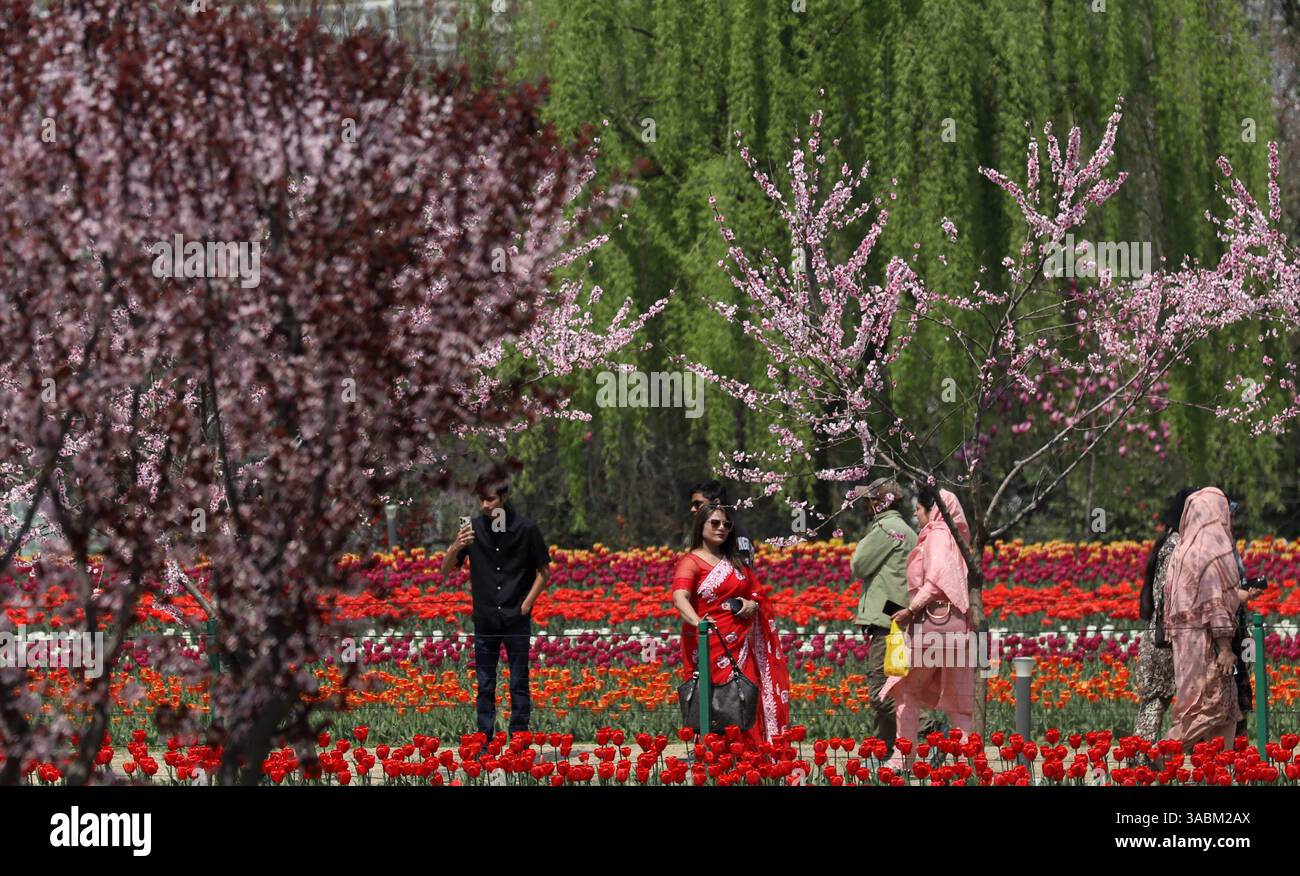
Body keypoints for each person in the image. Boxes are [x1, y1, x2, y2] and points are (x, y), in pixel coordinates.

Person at [440, 473, 551, 738]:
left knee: (518, 682)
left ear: (504, 497)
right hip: (485, 619)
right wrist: (455, 547)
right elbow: (446, 571)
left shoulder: (526, 529)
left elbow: (544, 572)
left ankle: (519, 739)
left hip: (516, 617)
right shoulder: (472, 529)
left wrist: (526, 604)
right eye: (481, 500)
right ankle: (483, 740)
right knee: (485, 684)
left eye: (490, 500)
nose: (485, 506)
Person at [671, 502, 791, 746]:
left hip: (740, 646)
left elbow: (757, 596)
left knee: (746, 697)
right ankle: (718, 763)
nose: (721, 528)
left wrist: (751, 606)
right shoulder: (691, 562)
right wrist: (698, 623)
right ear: (700, 525)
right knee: (714, 703)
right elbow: (679, 597)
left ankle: (749, 762)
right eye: (714, 523)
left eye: (727, 524)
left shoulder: (735, 562)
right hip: (707, 644)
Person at [881, 488, 976, 770]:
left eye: (919, 509)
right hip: (961, 629)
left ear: (933, 510)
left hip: (933, 628)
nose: (915, 514)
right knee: (960, 702)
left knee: (905, 689)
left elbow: (936, 582)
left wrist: (911, 610)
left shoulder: (937, 535)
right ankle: (965, 762)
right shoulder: (960, 540)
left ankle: (903, 759)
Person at [849, 478, 940, 755]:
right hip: (899, 618)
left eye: (869, 500)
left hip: (885, 622)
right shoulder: (907, 530)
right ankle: (882, 752)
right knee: (894, 686)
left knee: (882, 692)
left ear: (881, 502)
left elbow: (859, 565)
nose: (865, 505)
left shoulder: (885, 528)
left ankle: (930, 730)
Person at [1164, 487, 1242, 751]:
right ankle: (1157, 758)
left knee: (1221, 710)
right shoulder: (1208, 554)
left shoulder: (1182, 550)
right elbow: (1213, 603)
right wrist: (1225, 648)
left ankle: (1218, 770)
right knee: (1209, 707)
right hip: (1206, 643)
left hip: (1185, 645)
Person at [1134, 487, 1196, 740]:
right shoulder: (1177, 545)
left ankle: (1143, 755)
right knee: (1156, 699)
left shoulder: (1168, 540)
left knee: (1157, 700)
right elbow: (1170, 593)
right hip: (1166, 637)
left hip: (1161, 633)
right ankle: (1141, 757)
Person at [687, 480, 753, 567]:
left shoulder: (722, 536)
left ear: (716, 503)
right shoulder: (740, 532)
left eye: (698, 504)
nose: (693, 509)